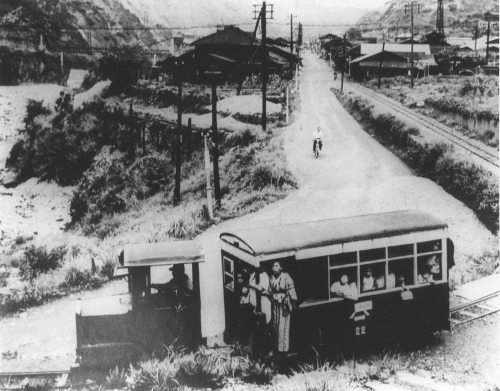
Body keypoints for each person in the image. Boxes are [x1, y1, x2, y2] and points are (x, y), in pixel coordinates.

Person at [268, 261, 297, 357]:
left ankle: (284, 350)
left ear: (281, 267)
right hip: (275, 304)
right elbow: (269, 290)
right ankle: (276, 349)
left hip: (284, 304)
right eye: (273, 266)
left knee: (283, 327)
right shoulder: (271, 278)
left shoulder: (286, 277)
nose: (274, 268)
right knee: (275, 326)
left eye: (277, 266)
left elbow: (291, 290)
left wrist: (293, 301)